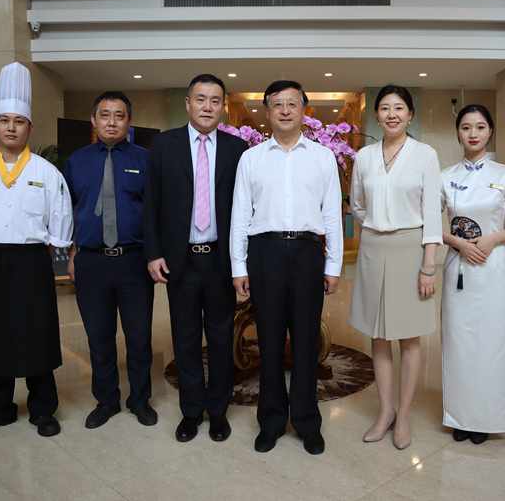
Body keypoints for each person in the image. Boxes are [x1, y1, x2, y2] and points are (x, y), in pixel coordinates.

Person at [230, 80, 343, 455]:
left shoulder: (322, 157)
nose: (284, 110)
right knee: (270, 340)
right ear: (267, 111)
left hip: (308, 253)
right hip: (265, 254)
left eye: (292, 103)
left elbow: (332, 214)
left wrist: (333, 265)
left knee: (307, 341)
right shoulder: (252, 159)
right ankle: (272, 420)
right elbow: (239, 216)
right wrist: (238, 266)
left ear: (304, 110)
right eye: (277, 104)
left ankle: (308, 422)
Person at [0, 62, 73, 439]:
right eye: (4, 121)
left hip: (31, 261)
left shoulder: (46, 173)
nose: (11, 127)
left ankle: (43, 410)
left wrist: (58, 257)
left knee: (37, 333)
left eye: (19, 121)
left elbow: (61, 220)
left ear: (30, 127)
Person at [144, 74, 247, 443]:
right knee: (185, 338)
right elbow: (151, 203)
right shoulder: (164, 145)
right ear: (188, 103)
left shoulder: (238, 149)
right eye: (200, 99)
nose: (207, 107)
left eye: (215, 100)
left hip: (220, 261)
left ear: (224, 107)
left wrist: (242, 262)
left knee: (221, 339)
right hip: (180, 260)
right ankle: (191, 412)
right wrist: (153, 253)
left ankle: (218, 412)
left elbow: (245, 208)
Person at [439, 105, 505, 444]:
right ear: (458, 133)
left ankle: (486, 418)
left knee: (492, 341)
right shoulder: (444, 176)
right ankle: (460, 416)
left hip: (493, 266)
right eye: (466, 127)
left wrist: (492, 239)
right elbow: (426, 223)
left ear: (490, 132)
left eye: (480, 127)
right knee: (458, 341)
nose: (473, 133)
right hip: (458, 266)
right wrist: (458, 242)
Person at [349, 85, 441, 450]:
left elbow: (432, 212)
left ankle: (404, 414)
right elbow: (357, 204)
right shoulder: (364, 157)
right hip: (373, 247)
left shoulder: (425, 155)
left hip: (410, 247)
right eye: (385, 108)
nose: (392, 114)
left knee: (409, 335)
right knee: (378, 334)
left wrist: (428, 265)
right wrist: (375, 225)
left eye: (399, 108)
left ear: (410, 114)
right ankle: (385, 411)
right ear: (376, 114)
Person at [64, 91, 156, 429]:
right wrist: (72, 254)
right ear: (94, 120)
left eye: (119, 115)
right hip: (91, 261)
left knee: (138, 337)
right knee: (99, 337)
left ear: (129, 121)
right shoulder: (76, 161)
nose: (112, 122)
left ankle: (140, 400)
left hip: (134, 261)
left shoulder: (146, 160)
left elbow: (155, 213)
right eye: (105, 115)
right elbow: (68, 211)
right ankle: (106, 400)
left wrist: (155, 255)